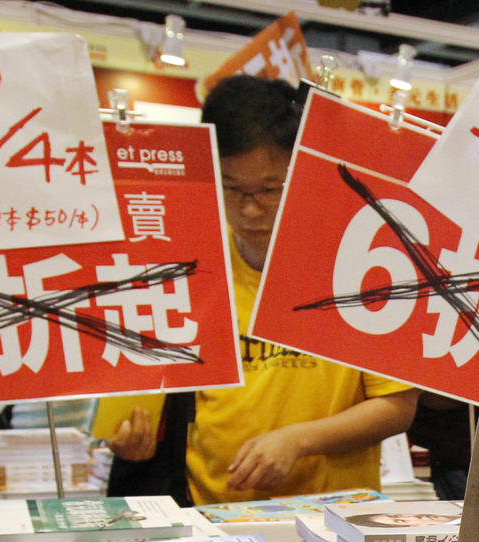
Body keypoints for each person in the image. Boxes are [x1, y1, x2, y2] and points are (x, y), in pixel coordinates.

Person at [107, 77, 418, 504]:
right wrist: (134, 438)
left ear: (302, 172)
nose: (249, 209)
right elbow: (150, 390)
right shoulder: (188, 267)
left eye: (270, 189)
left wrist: (299, 440)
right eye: (232, 188)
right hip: (212, 514)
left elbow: (397, 406)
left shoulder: (359, 267)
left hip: (332, 523)